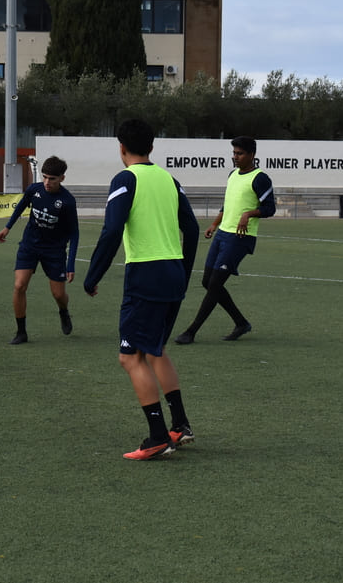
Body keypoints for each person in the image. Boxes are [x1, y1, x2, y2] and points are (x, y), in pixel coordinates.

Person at [84, 119, 199, 461]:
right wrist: (184, 270)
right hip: (173, 272)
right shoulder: (169, 179)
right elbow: (191, 229)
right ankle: (180, 425)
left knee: (130, 356)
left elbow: (112, 230)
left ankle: (156, 436)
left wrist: (93, 275)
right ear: (152, 147)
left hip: (145, 275)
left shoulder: (125, 179)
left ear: (121, 147)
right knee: (155, 350)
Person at [174, 136, 275, 344]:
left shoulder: (260, 178)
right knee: (207, 282)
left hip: (240, 238)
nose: (235, 157)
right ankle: (241, 322)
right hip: (222, 234)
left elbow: (270, 208)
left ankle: (191, 331)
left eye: (240, 153)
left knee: (215, 283)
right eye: (234, 153)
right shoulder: (232, 175)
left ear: (252, 155)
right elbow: (227, 204)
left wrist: (248, 214)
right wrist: (214, 224)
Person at [0, 156, 80, 344]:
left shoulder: (67, 201)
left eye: (52, 178)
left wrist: (71, 264)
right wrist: (7, 226)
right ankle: (21, 332)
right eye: (44, 177)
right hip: (30, 246)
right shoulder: (34, 190)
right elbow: (21, 206)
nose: (47, 182)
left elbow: (74, 234)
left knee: (58, 294)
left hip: (54, 251)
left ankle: (63, 311)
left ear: (62, 179)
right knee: (19, 286)